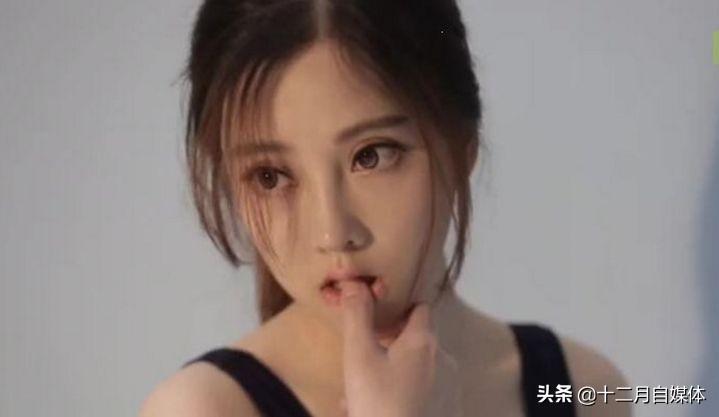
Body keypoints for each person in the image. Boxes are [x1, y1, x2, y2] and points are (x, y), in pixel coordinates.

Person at [139, 1, 631, 416]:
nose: (333, 232)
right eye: (270, 176)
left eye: (371, 156)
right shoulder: (201, 409)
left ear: (461, 149)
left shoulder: (586, 389)